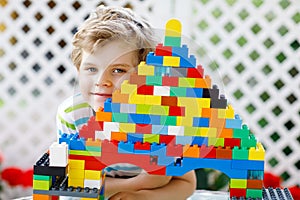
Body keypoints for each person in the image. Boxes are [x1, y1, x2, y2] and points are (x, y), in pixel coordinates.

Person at [56, 5, 196, 200]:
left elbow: (186, 182)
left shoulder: (161, 117)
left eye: (118, 70)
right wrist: (139, 183)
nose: (101, 81)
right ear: (78, 70)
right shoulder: (74, 114)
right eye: (91, 69)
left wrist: (143, 197)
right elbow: (72, 182)